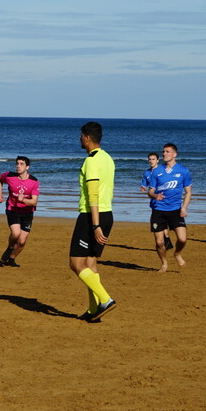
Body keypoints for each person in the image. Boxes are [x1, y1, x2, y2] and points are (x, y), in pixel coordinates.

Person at [70, 121, 117, 322]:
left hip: (91, 216)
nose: (80, 139)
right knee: (90, 263)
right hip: (107, 214)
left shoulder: (91, 161)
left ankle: (105, 299)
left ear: (87, 138)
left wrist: (95, 225)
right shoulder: (108, 158)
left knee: (76, 264)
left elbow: (93, 194)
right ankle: (93, 310)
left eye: (81, 136)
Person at [146, 143, 193, 271]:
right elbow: (150, 191)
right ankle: (164, 263)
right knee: (159, 242)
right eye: (163, 152)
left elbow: (188, 192)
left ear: (174, 154)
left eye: (167, 151)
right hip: (158, 210)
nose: (164, 154)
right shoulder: (157, 171)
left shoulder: (183, 171)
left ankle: (177, 253)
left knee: (182, 239)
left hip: (175, 210)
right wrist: (155, 196)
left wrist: (184, 208)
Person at [0, 156, 39, 267]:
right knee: (15, 234)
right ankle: (10, 248)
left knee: (21, 242)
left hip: (27, 212)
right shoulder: (9, 176)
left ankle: (11, 259)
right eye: (17, 163)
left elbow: (34, 202)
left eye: (21, 164)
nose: (18, 166)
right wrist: (0, 195)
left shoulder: (34, 181)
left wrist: (23, 200)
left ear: (27, 167)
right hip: (13, 209)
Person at [142, 152, 174, 251]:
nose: (151, 161)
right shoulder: (147, 173)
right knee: (160, 224)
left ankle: (166, 241)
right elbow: (145, 184)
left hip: (164, 202)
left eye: (153, 159)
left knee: (163, 225)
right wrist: (143, 187)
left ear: (157, 160)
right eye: (150, 159)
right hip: (154, 202)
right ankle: (166, 242)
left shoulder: (162, 171)